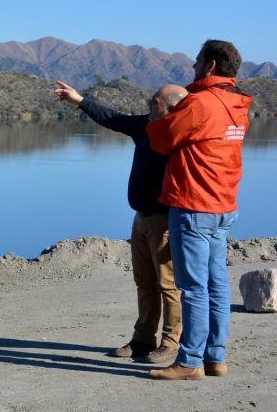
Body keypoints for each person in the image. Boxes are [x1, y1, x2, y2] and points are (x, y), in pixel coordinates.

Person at [54, 80, 187, 364]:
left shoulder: (180, 132)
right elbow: (113, 119)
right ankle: (142, 340)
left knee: (168, 284)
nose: (149, 103)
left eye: (155, 101)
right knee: (144, 282)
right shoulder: (145, 125)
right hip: (140, 219)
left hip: (164, 220)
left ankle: (170, 343)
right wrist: (79, 100)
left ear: (172, 108)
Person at [146, 40, 252, 380]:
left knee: (192, 287)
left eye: (197, 62)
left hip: (195, 205)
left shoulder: (201, 104)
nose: (192, 67)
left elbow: (162, 140)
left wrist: (158, 117)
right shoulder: (237, 104)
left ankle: (189, 362)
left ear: (210, 66)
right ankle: (215, 357)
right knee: (217, 283)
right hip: (223, 204)